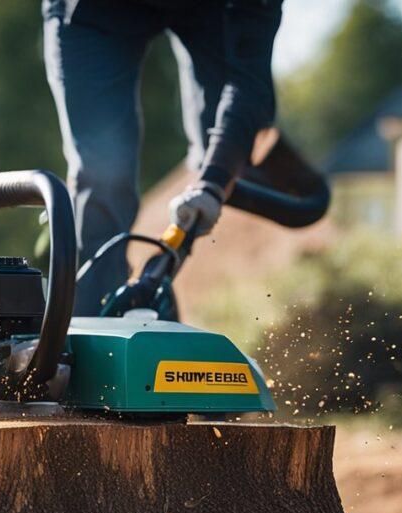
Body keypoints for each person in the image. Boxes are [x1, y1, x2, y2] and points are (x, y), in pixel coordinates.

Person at [43, 0, 282, 314]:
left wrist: (213, 183)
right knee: (105, 171)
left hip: (211, 11)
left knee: (220, 152)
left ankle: (152, 304)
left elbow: (248, 85)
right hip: (95, 10)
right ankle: (91, 335)